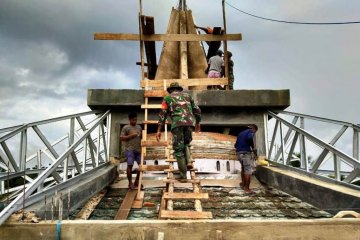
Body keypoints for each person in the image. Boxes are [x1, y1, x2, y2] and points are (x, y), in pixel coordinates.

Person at [156, 82, 201, 181]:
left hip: (177, 125)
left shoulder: (167, 99)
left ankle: (183, 176)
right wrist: (197, 123)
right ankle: (188, 161)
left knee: (178, 150)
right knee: (186, 143)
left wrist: (159, 130)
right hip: (189, 124)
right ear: (179, 89)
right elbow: (197, 110)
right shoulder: (188, 96)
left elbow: (162, 115)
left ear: (171, 90)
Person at [120, 112, 142, 190]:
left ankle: (137, 181)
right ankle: (130, 183)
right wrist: (131, 136)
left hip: (138, 149)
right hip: (129, 149)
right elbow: (121, 138)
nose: (134, 121)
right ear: (129, 120)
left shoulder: (139, 127)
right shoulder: (126, 128)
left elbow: (141, 137)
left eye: (136, 120)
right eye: (133, 120)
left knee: (141, 166)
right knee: (130, 165)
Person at [234, 124, 258, 194]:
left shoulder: (240, 133)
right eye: (255, 132)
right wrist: (253, 147)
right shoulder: (251, 132)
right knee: (248, 170)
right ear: (254, 129)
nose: (254, 133)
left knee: (243, 168)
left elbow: (235, 145)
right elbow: (249, 138)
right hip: (245, 153)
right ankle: (247, 189)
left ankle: (243, 184)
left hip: (239, 153)